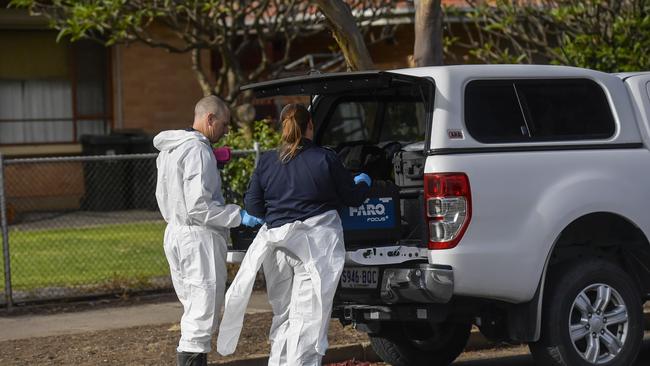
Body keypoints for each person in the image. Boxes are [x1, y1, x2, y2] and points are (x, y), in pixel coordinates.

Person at [217, 103, 371, 365]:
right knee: (308, 318)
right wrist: (365, 182)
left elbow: (254, 206)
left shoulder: (267, 160)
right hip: (314, 246)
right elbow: (351, 197)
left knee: (284, 314)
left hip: (275, 246)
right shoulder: (325, 158)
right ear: (310, 125)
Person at [154, 95, 263, 366]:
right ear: (209, 118)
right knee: (203, 313)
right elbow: (199, 207)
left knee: (194, 308)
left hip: (177, 233)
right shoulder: (197, 150)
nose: (226, 131)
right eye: (224, 124)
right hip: (197, 238)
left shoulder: (173, 148)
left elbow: (177, 194)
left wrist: (213, 162)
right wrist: (238, 215)